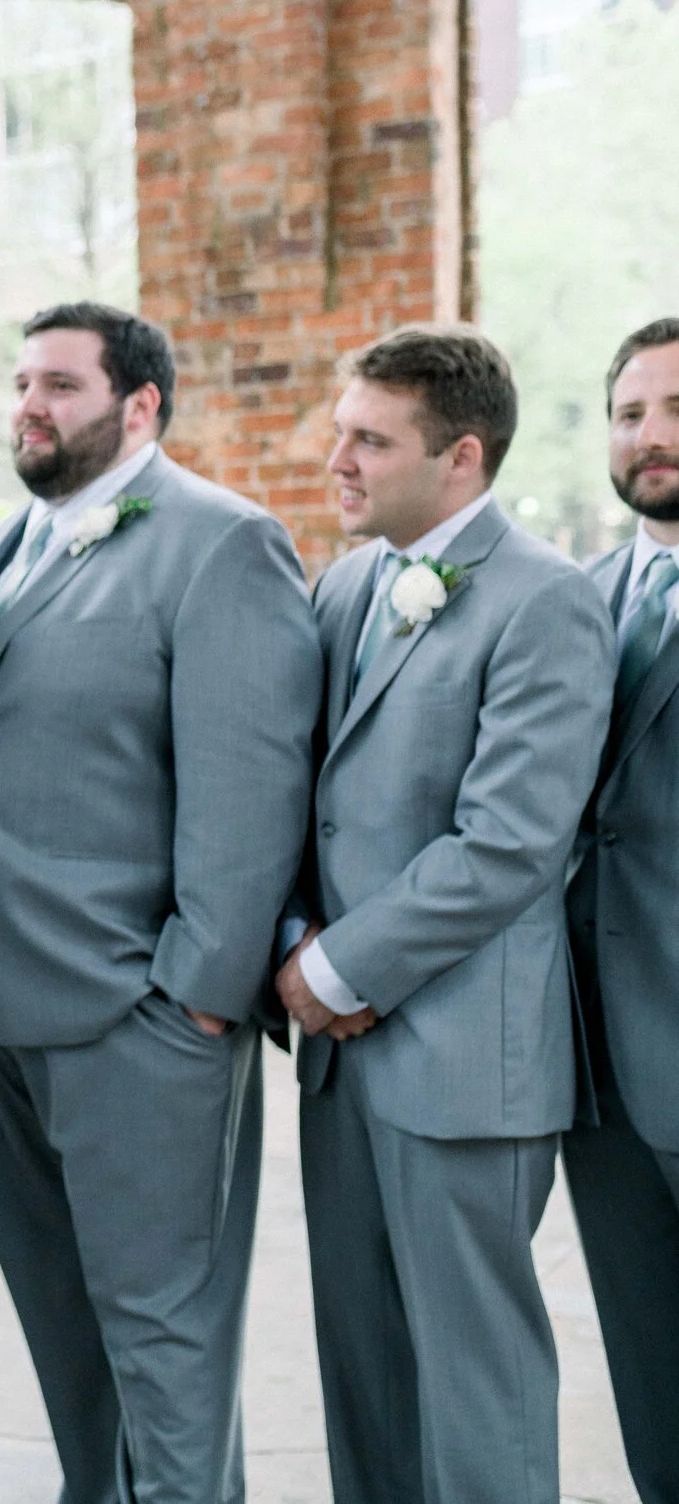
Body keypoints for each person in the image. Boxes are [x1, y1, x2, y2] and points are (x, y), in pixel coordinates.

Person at [0, 302, 317, 1504]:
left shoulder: (220, 543)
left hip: (137, 1022)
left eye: (59, 386)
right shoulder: (11, 541)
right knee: (62, 1329)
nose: (29, 408)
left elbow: (248, 786)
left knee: (164, 1339)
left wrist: (199, 995)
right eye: (21, 384)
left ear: (138, 404)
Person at [277, 324, 610, 1504]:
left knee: (476, 1378)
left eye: (371, 439)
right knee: (361, 1363)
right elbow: (298, 804)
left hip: (469, 1055)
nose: (339, 463)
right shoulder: (348, 585)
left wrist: (343, 968)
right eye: (339, 434)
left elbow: (511, 841)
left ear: (460, 457)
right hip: (338, 1057)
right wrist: (291, 950)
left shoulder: (548, 603)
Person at [566, 317, 679, 1504]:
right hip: (597, 1067)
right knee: (649, 1377)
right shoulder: (580, 595)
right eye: (631, 412)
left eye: (675, 409)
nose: (652, 436)